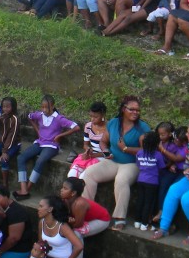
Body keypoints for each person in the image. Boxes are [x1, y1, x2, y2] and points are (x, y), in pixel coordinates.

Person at [81, 96, 151, 232]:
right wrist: (106, 152)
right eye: (132, 109)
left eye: (137, 110)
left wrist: (126, 149)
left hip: (132, 164)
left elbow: (146, 149)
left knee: (121, 180)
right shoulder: (113, 123)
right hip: (112, 161)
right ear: (123, 109)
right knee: (89, 173)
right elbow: (103, 141)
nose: (135, 112)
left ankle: (120, 218)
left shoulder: (143, 127)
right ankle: (87, 209)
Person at [15, 94, 79, 198]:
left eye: (47, 107)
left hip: (52, 146)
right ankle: (23, 188)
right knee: (21, 158)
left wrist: (60, 136)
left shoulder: (59, 118)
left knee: (40, 161)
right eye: (42, 107)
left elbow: (76, 127)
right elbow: (30, 117)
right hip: (40, 143)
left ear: (52, 106)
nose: (44, 110)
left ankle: (28, 188)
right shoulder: (40, 115)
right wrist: (37, 130)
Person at [133, 131, 166, 231]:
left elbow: (138, 164)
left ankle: (137, 221)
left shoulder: (139, 153)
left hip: (140, 180)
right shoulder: (158, 155)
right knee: (148, 202)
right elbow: (162, 167)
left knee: (140, 200)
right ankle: (144, 223)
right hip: (152, 182)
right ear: (157, 143)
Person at [68, 101, 108, 178]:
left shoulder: (110, 128)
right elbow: (85, 144)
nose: (92, 119)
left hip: (103, 158)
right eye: (91, 116)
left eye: (95, 117)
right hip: (90, 155)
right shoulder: (88, 126)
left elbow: (111, 151)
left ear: (103, 115)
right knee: (71, 174)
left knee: (84, 177)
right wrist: (88, 150)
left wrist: (94, 155)